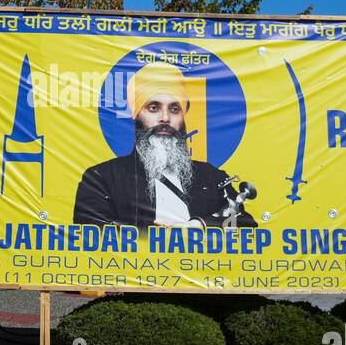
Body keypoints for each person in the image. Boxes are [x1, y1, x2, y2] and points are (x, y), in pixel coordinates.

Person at [73, 62, 256, 229]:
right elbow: (88, 228)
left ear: (183, 117)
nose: (165, 118)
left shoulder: (212, 177)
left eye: (174, 109)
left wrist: (200, 225)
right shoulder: (101, 178)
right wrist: (153, 238)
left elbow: (246, 224)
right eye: (153, 108)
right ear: (136, 115)